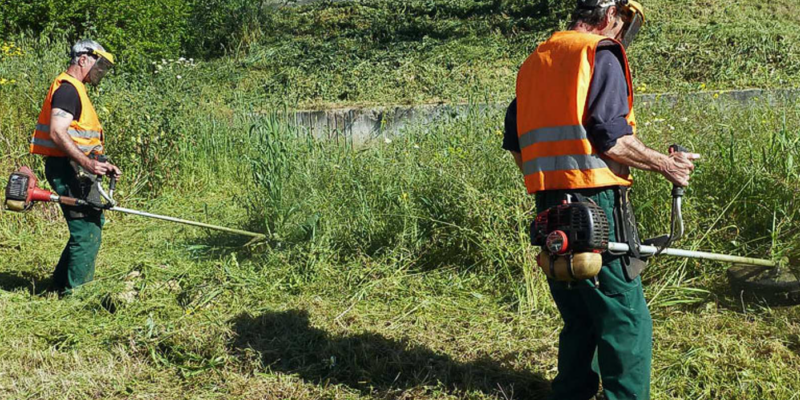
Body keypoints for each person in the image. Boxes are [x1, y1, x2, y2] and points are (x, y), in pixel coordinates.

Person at [503, 1, 700, 399]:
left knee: (578, 310)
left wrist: (552, 182)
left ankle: (571, 392)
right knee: (625, 317)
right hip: (596, 205)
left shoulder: (535, 61)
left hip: (549, 204)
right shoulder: (599, 52)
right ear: (611, 15)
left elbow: (515, 140)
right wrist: (666, 164)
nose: (624, 33)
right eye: (625, 24)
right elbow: (612, 138)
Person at [30, 39, 121, 293]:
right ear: (83, 59)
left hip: (75, 167)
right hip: (69, 169)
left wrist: (100, 163)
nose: (100, 71)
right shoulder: (68, 90)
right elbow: (57, 132)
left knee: (87, 226)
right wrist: (87, 163)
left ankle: (59, 285)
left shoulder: (76, 89)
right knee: (87, 230)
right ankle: (78, 295)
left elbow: (80, 137)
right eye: (98, 64)